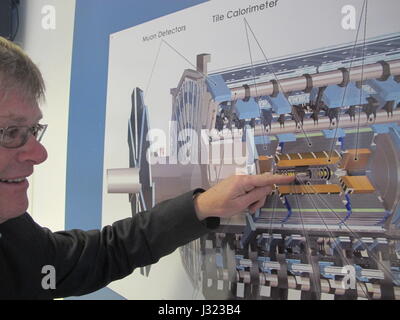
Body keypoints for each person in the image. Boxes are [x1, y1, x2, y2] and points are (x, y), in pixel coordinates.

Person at [0, 37, 294, 299]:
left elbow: (105, 253)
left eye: (34, 130)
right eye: (12, 132)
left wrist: (201, 206)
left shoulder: (14, 239)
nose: (40, 154)